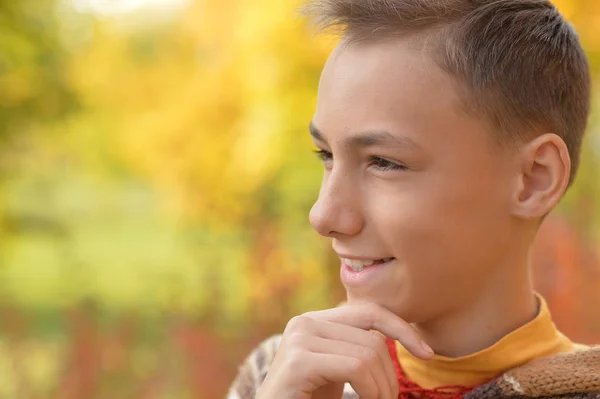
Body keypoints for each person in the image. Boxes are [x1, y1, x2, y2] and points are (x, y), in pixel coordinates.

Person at [227, 0, 600, 398]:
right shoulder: (279, 376)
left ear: (533, 179)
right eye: (327, 156)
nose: (324, 215)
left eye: (384, 162)